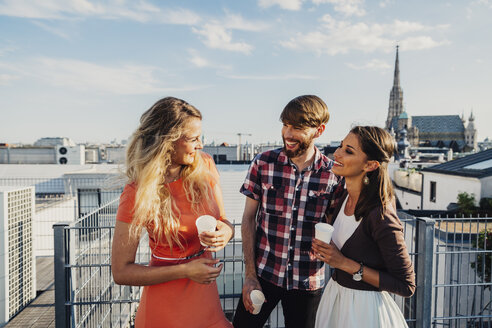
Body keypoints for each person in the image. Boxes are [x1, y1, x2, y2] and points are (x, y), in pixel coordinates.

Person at [111, 97, 234, 328]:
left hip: (205, 294)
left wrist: (226, 231)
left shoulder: (206, 164)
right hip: (165, 303)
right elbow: (121, 272)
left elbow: (223, 220)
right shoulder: (136, 192)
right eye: (193, 139)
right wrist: (186, 270)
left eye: (201, 138)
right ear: (167, 141)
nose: (200, 145)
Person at [233, 95, 340, 328]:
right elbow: (248, 219)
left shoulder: (334, 175)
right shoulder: (263, 163)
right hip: (263, 275)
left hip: (307, 282)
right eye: (286, 125)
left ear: (319, 130)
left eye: (298, 127)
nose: (288, 134)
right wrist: (250, 275)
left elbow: (335, 228)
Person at [312, 126, 416, 328]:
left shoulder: (381, 215)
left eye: (348, 151)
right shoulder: (344, 197)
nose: (337, 153)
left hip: (363, 312)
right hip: (336, 299)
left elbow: (406, 285)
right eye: (341, 146)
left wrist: (343, 263)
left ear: (370, 165)